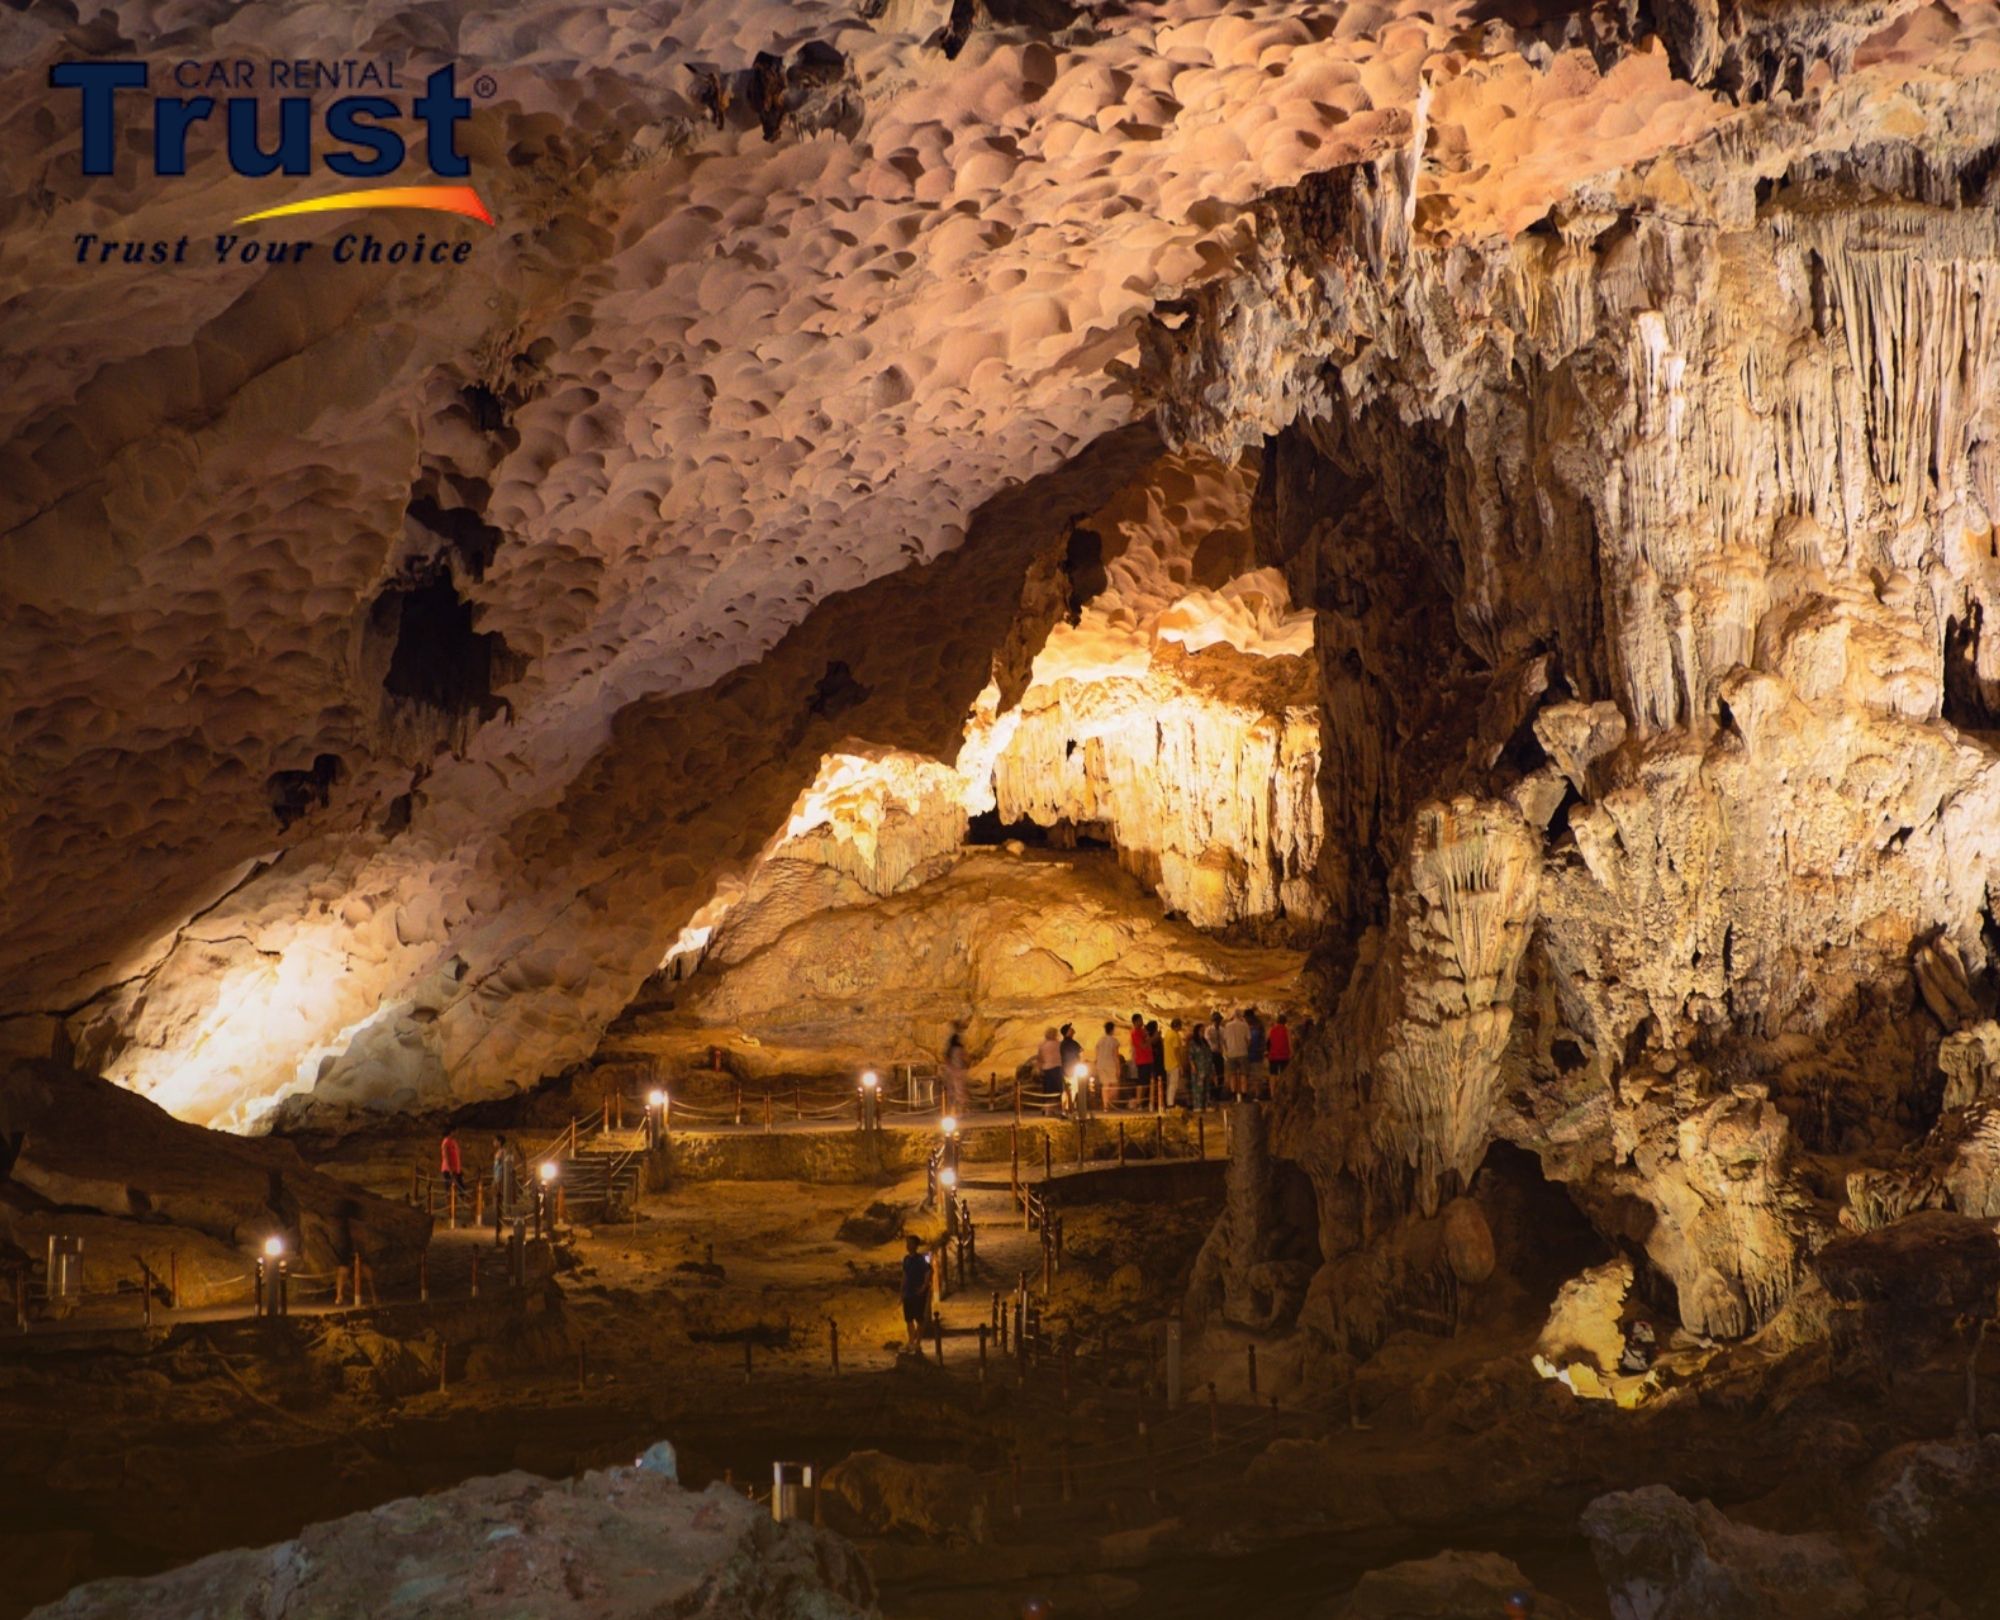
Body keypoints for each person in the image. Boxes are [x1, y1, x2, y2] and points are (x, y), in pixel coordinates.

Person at [900, 1235, 932, 1352]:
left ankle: (918, 1342)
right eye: (907, 1243)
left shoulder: (920, 1259)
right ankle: (911, 1341)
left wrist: (923, 1287)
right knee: (908, 1319)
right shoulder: (906, 1259)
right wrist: (902, 1290)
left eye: (910, 1243)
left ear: (916, 1245)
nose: (908, 1246)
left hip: (917, 1294)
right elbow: (905, 1275)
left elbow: (928, 1272)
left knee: (919, 1319)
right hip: (908, 1293)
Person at [1093, 1019, 1123, 1112]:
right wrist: (1118, 1068)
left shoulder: (1100, 1040)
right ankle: (1110, 1103)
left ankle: (1106, 1105)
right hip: (1110, 1064)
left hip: (1101, 1064)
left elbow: (1097, 1054)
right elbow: (1115, 1055)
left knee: (1105, 1085)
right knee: (1114, 1085)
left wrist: (1096, 1065)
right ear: (1112, 1030)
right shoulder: (1114, 1041)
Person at [1221, 1008, 1251, 1099]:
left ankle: (1233, 1094)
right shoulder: (1244, 1025)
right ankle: (1244, 1093)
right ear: (1241, 1016)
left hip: (1231, 1053)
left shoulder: (1227, 1026)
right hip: (1242, 1052)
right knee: (1243, 1074)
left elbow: (1224, 1041)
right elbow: (1249, 1040)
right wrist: (1246, 1048)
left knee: (1232, 1075)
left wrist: (1227, 1050)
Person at [490, 1134, 514, 1246]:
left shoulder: (502, 1153)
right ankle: (498, 1225)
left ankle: (499, 1226)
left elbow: (502, 1167)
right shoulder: (501, 1152)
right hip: (498, 1177)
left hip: (499, 1178)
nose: (493, 1142)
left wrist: (498, 1179)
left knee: (499, 1199)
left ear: (499, 1142)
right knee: (497, 1200)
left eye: (495, 1140)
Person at [943, 1021, 971, 1115]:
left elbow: (947, 1059)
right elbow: (965, 1059)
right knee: (959, 1091)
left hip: (953, 1070)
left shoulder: (951, 1050)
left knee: (953, 1090)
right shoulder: (959, 1049)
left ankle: (953, 1109)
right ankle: (960, 1109)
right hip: (957, 1071)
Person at [1188, 1025, 1216, 1111]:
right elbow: (1191, 1056)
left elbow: (1209, 1055)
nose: (1202, 1033)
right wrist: (1193, 1066)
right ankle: (1198, 1105)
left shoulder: (1205, 1042)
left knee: (1207, 1087)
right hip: (1198, 1068)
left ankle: (1207, 1104)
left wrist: (1212, 1068)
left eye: (1203, 1031)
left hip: (1207, 1067)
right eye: (1201, 1031)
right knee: (1198, 1088)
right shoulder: (1193, 1043)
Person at [1127, 1015, 1151, 1110]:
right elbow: (1143, 1046)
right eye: (1140, 1020)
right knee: (1142, 1082)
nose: (1142, 1022)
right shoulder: (1135, 1033)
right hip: (1142, 1060)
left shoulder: (1142, 1031)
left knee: (1145, 1082)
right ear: (1136, 1022)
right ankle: (1138, 1103)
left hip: (1147, 1059)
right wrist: (1153, 1038)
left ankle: (1141, 1102)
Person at [1162, 1018, 1187, 1108]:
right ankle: (1170, 1103)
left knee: (1169, 1085)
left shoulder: (1168, 1033)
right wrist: (1180, 1065)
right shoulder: (1175, 1035)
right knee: (1174, 1085)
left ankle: (1169, 1102)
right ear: (1177, 1026)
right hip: (1174, 1063)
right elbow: (1176, 1051)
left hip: (1167, 1063)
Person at [1036, 1027, 1064, 1100]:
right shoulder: (1059, 1044)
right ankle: (1058, 1104)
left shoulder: (1042, 1045)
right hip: (1057, 1069)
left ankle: (1047, 1104)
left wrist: (1039, 1069)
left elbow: (1039, 1059)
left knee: (1048, 1090)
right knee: (1058, 1090)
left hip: (1046, 1069)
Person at [1267, 1013, 1292, 1091]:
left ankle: (1272, 1093)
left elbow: (1268, 1042)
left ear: (1277, 1021)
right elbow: (1290, 1043)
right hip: (1284, 1055)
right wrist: (1291, 1053)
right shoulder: (1287, 1030)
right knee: (1283, 1075)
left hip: (1273, 1055)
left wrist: (1267, 1052)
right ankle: (1281, 1092)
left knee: (1272, 1075)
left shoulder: (1271, 1030)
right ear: (1285, 1022)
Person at [439, 1127, 465, 1197]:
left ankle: (461, 1200)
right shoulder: (446, 1142)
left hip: (456, 1169)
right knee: (449, 1188)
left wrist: (459, 1168)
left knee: (461, 1187)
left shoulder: (454, 1141)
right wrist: (449, 1169)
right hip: (448, 1169)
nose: (457, 1133)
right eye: (455, 1131)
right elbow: (446, 1156)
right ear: (451, 1132)